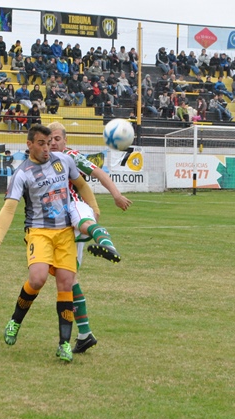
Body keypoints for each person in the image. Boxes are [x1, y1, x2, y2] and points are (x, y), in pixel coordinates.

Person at [0, 124, 97, 363]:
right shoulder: (22, 173)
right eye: (42, 144)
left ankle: (64, 344)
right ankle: (15, 320)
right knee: (38, 278)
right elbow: (9, 208)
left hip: (65, 232)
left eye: (49, 143)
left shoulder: (63, 161)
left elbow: (82, 185)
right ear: (30, 145)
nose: (47, 148)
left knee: (66, 283)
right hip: (39, 232)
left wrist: (93, 209)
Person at [48, 122, 132, 351]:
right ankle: (85, 334)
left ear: (65, 141)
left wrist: (116, 195)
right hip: (55, 221)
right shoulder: (44, 158)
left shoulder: (71, 156)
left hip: (72, 212)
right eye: (50, 139)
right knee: (68, 280)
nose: (53, 143)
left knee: (84, 224)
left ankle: (106, 243)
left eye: (57, 139)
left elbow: (98, 173)